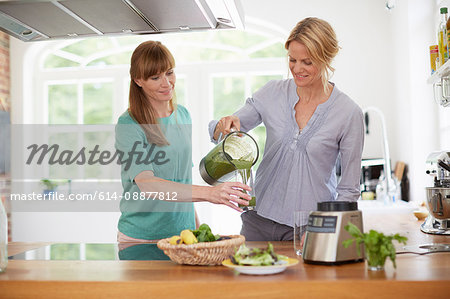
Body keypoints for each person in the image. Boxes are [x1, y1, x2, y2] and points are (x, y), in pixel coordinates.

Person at [209, 17, 364, 241]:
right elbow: (223, 132)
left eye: (307, 62)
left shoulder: (348, 113)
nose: (297, 69)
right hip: (257, 221)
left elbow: (349, 189)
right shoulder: (273, 92)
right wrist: (223, 127)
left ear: (326, 58)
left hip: (311, 228)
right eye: (292, 60)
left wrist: (328, 230)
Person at [115, 41, 251, 242]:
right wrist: (210, 193)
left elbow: (182, 180)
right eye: (155, 77)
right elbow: (148, 185)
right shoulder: (129, 124)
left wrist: (197, 231)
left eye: (169, 72)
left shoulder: (183, 115)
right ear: (138, 80)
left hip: (183, 236)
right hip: (143, 238)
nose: (167, 83)